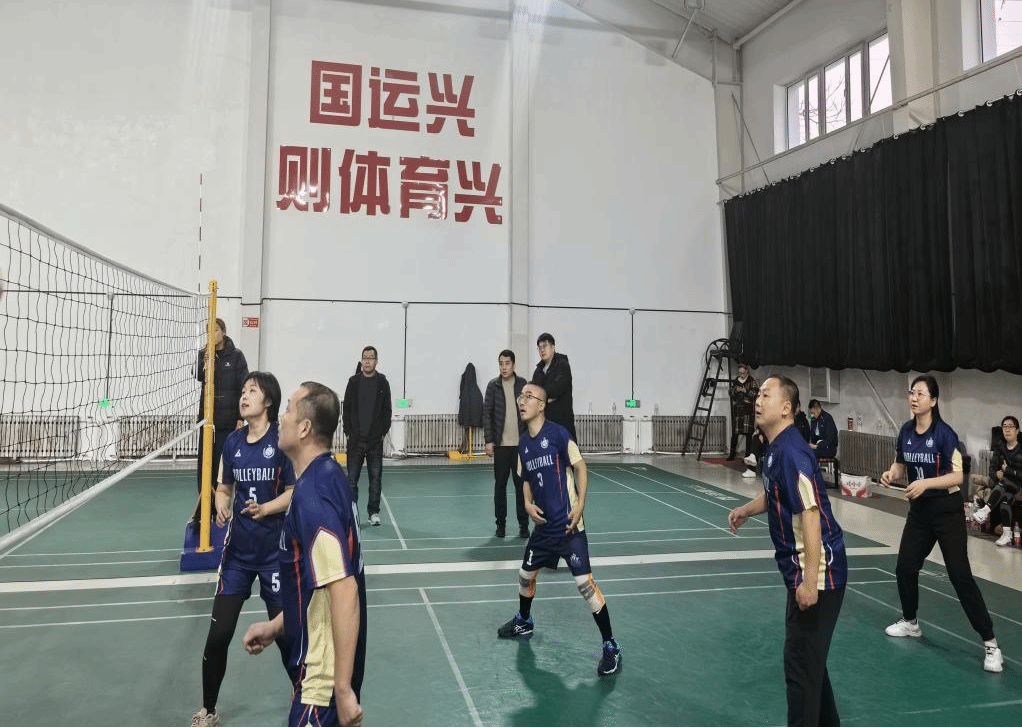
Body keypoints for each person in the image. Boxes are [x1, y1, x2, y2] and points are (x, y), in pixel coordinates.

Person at [243, 382, 366, 727]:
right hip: (321, 679)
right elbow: (318, 587)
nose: (281, 417)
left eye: (288, 410)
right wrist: (276, 626)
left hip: (320, 688)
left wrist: (341, 689)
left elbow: (344, 589)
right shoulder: (329, 476)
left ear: (304, 428)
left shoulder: (312, 497)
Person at [728, 376, 847, 727]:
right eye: (758, 395)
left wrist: (809, 582)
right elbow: (776, 494)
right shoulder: (776, 448)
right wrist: (746, 510)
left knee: (800, 669)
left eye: (766, 395)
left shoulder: (793, 451)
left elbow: (809, 513)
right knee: (810, 664)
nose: (757, 400)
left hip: (819, 574)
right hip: (803, 572)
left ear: (785, 408)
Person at [495, 382, 621, 677]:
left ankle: (611, 646)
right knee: (525, 576)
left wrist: (581, 505)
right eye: (520, 396)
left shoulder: (559, 434)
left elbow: (581, 467)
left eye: (528, 397)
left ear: (541, 405)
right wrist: (527, 504)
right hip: (543, 530)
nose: (522, 401)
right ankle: (524, 621)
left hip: (568, 527)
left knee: (585, 586)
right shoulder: (523, 444)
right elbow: (525, 479)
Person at [191, 372, 294, 728]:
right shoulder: (233, 442)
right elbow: (224, 487)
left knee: (287, 636)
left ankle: (305, 698)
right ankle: (208, 710)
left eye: (253, 390)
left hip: (275, 555)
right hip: (237, 556)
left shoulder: (281, 441)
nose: (244, 395)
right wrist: (222, 502)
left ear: (269, 401)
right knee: (218, 635)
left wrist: (265, 509)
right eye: (244, 390)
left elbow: (293, 492)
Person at [880, 375, 1003, 673]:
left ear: (933, 400)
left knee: (960, 576)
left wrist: (925, 483)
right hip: (920, 512)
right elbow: (901, 462)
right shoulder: (906, 430)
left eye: (920, 394)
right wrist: (893, 472)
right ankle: (910, 622)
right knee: (905, 567)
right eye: (911, 392)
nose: (914, 398)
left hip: (947, 512)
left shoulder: (946, 434)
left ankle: (991, 644)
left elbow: (957, 476)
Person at [194, 317, 249, 525]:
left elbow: (244, 387)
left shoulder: (236, 356)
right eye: (209, 330)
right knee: (204, 468)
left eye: (216, 330)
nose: (212, 334)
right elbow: (197, 375)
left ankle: (223, 511)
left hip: (228, 424)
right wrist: (206, 359)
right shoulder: (204, 354)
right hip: (207, 422)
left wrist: (241, 417)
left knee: (224, 469)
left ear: (223, 332)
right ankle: (205, 511)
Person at [343, 345, 392, 526]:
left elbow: (387, 411)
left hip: (375, 442)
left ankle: (373, 513)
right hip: (355, 441)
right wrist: (348, 432)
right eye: (365, 357)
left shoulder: (383, 383)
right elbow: (346, 409)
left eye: (371, 358)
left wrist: (382, 433)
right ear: (361, 360)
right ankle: (352, 514)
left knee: (375, 479)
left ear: (376, 361)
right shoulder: (353, 382)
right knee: (351, 481)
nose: (367, 361)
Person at [483, 350, 528, 538]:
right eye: (501, 363)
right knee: (500, 486)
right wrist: (489, 440)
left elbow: (530, 411)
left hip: (520, 446)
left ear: (513, 365)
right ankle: (500, 524)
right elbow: (487, 414)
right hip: (501, 447)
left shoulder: (524, 385)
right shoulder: (493, 386)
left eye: (507, 363)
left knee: (521, 487)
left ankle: (524, 525)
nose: (504, 367)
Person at [972, 415, 1022, 546]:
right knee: (1005, 500)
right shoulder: (1000, 449)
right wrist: (996, 475)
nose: (1007, 430)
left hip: (1018, 485)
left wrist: (1007, 471)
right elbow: (992, 469)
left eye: (1010, 427)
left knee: (1004, 482)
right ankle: (1007, 534)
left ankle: (985, 510)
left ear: (1017, 431)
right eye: (1004, 427)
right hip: (1004, 486)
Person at [531, 333, 576, 442]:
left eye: (545, 346)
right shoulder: (538, 370)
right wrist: (548, 398)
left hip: (562, 422)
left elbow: (557, 389)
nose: (542, 350)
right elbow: (534, 393)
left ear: (553, 347)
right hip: (544, 423)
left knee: (566, 451)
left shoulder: (562, 365)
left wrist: (542, 396)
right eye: (539, 348)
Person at [728, 363, 758, 463]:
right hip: (738, 410)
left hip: (748, 411)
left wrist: (746, 391)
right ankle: (732, 454)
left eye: (743, 373)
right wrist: (736, 390)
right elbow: (730, 392)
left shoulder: (752, 381)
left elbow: (755, 393)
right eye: (740, 373)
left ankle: (747, 454)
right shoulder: (736, 381)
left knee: (748, 434)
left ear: (747, 371)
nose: (741, 375)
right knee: (735, 433)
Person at [457, 363, 484, 454]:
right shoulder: (476, 389)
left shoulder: (465, 385)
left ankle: (468, 447)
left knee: (467, 428)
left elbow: (461, 397)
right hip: (474, 414)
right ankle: (469, 447)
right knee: (472, 428)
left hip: (467, 412)